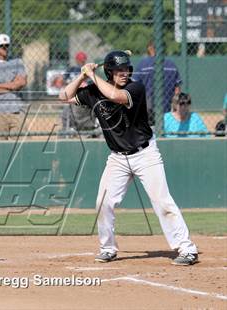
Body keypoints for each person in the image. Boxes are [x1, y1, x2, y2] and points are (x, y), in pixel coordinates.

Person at [59, 50, 198, 266]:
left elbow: (115, 96)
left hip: (145, 153)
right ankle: (108, 248)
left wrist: (92, 75)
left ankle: (187, 249)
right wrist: (82, 75)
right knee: (102, 202)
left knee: (162, 202)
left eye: (126, 68)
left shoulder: (136, 88)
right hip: (117, 158)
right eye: (118, 70)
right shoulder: (93, 91)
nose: (124, 73)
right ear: (109, 72)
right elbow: (64, 96)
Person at [0, 33, 27, 140]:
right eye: (2, 46)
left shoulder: (17, 62)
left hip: (16, 110)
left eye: (7, 45)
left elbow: (21, 83)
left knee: (21, 147)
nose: (5, 48)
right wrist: (12, 85)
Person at [132, 41, 182, 125]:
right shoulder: (171, 65)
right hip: (166, 107)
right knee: (164, 129)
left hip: (147, 108)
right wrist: (175, 106)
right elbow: (177, 89)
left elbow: (134, 86)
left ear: (149, 48)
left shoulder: (143, 64)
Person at [61, 51, 97, 136]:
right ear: (77, 60)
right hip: (72, 95)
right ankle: (69, 129)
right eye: (80, 60)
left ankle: (94, 127)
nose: (82, 62)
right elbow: (64, 81)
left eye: (83, 60)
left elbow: (92, 83)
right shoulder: (71, 70)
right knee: (66, 112)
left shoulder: (88, 70)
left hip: (84, 95)